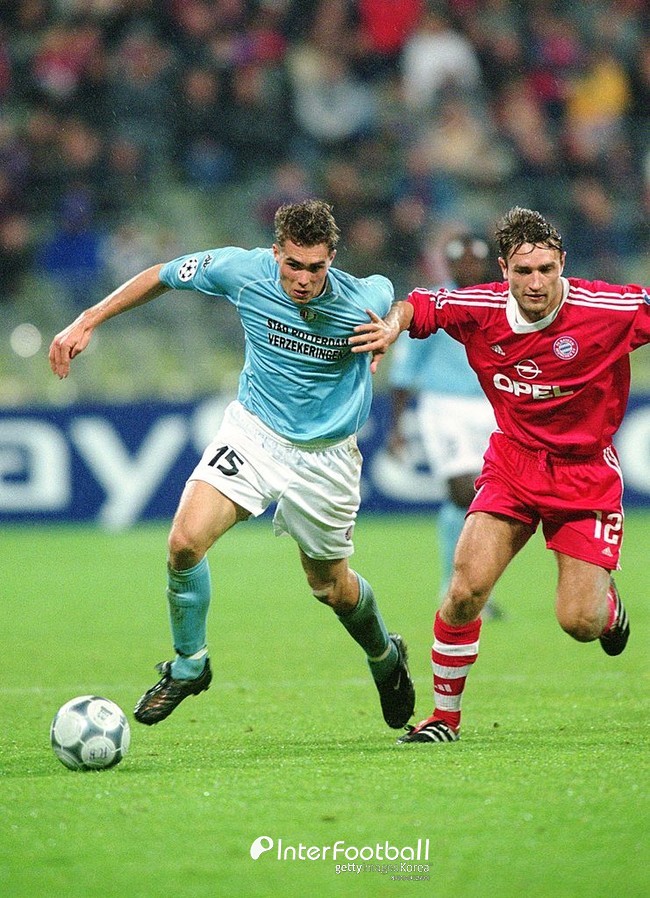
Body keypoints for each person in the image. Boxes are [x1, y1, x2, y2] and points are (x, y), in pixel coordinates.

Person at [49, 199, 415, 731]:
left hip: (327, 456)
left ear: (332, 258)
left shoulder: (362, 296)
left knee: (331, 587)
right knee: (183, 543)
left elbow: (400, 301)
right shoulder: (241, 270)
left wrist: (391, 329)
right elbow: (162, 274)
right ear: (276, 253)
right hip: (254, 433)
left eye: (316, 267)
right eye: (293, 264)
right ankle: (190, 664)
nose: (304, 279)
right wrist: (88, 319)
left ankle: (385, 656)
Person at [350, 205, 647, 744]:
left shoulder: (608, 308)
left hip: (585, 475)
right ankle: (444, 719)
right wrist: (390, 328)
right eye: (523, 272)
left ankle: (606, 607)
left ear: (563, 266)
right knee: (465, 589)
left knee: (578, 621)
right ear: (504, 271)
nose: (536, 283)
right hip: (514, 464)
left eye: (547, 271)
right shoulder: (479, 309)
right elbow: (416, 306)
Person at [387, 232, 503, 619]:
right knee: (462, 491)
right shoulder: (436, 304)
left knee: (488, 499)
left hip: (493, 405)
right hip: (443, 406)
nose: (469, 267)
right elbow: (405, 370)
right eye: (461, 262)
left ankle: (471, 588)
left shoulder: (506, 302)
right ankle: (454, 585)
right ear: (451, 266)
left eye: (476, 261)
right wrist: (396, 426)